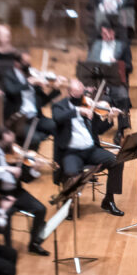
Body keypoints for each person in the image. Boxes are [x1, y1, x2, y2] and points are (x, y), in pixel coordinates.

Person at [52, 79, 125, 216]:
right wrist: (78, 110)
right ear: (70, 93)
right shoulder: (60, 106)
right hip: (71, 153)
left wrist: (110, 117)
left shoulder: (89, 105)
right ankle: (69, 203)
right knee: (72, 172)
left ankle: (108, 200)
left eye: (83, 94)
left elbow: (99, 129)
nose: (83, 98)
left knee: (116, 161)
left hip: (91, 150)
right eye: (78, 95)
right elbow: (58, 118)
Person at [0, 126, 50, 256]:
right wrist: (7, 169)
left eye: (12, 142)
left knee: (41, 209)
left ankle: (34, 244)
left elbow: (26, 178)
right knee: (5, 218)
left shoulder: (14, 152)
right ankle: (7, 249)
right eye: (7, 143)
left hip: (17, 192)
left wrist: (35, 169)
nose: (11, 145)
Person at [0, 52, 61, 151]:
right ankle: (27, 164)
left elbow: (42, 102)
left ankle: (58, 162)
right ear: (17, 63)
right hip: (19, 119)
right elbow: (11, 90)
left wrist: (55, 90)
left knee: (60, 126)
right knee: (35, 139)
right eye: (26, 62)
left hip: (36, 118)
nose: (29, 65)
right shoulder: (9, 75)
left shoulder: (32, 75)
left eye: (29, 62)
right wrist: (28, 83)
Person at [86, 21, 134, 144]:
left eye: (108, 33)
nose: (105, 36)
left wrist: (117, 65)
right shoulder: (96, 46)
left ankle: (120, 130)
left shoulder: (123, 46)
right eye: (103, 33)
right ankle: (97, 126)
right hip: (99, 82)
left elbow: (130, 67)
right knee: (90, 95)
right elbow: (88, 65)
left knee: (122, 96)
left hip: (117, 81)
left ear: (113, 32)